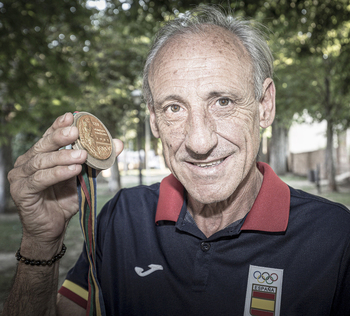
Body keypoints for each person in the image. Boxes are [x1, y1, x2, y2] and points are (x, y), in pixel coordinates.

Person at [4, 5, 350, 316]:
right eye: (174, 108)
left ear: (264, 105)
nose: (199, 142)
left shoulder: (336, 237)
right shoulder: (121, 218)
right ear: (154, 120)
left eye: (224, 101)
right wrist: (40, 241)